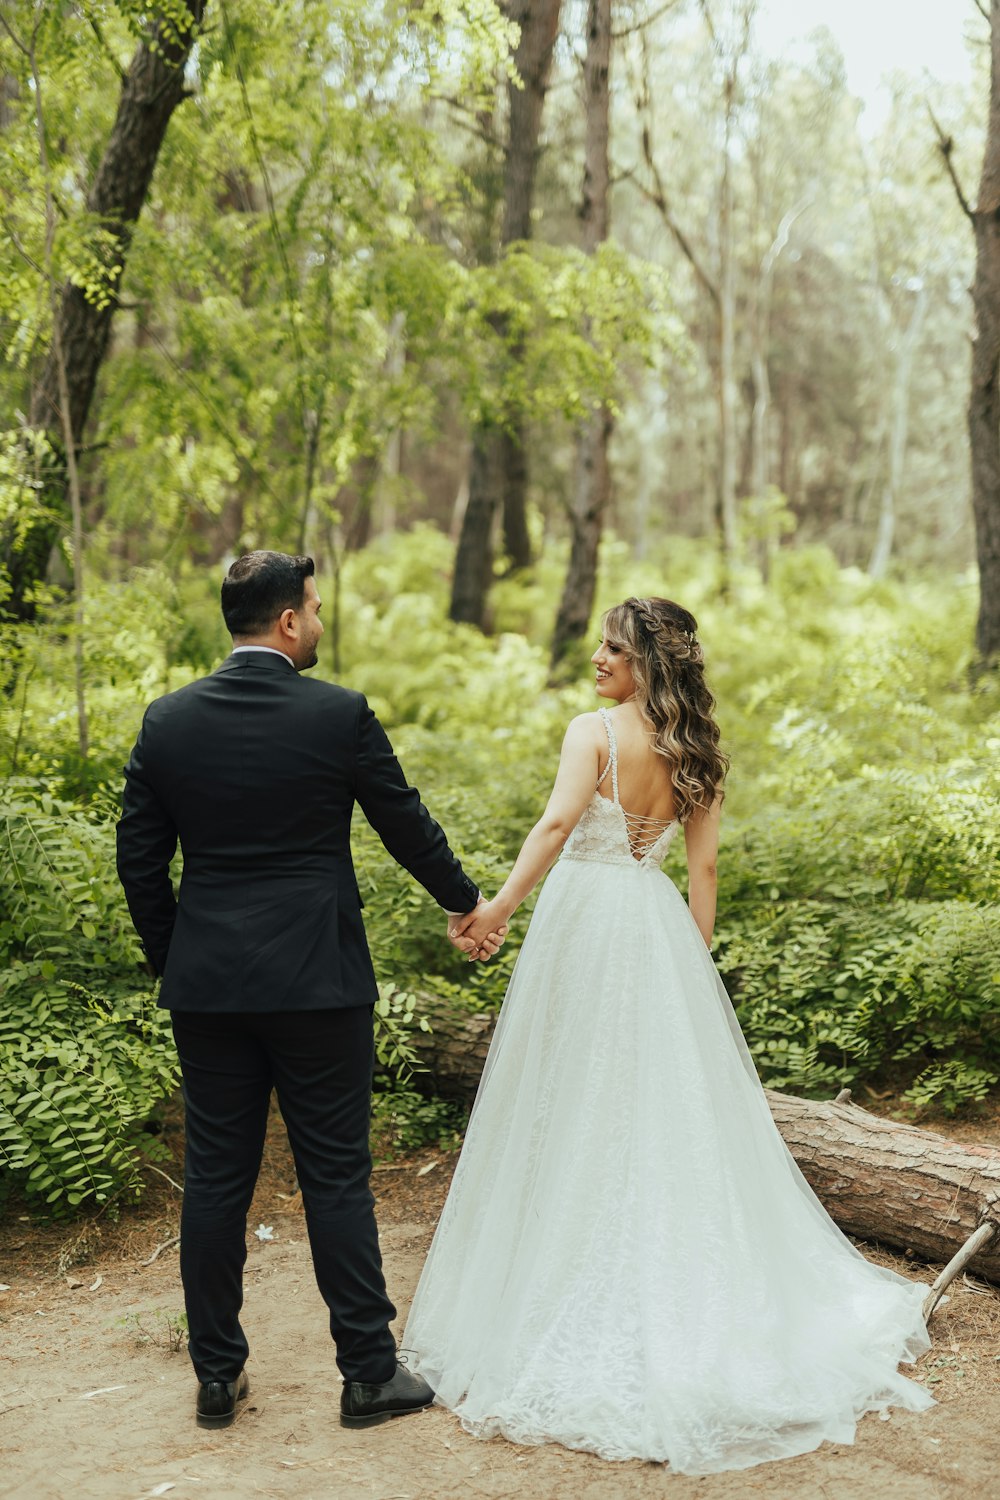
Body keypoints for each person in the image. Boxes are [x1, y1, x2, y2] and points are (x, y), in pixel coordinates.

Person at [404, 595, 933, 1475]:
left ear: (649, 661)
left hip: (581, 928)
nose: (597, 659)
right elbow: (705, 870)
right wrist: (686, 969)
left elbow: (557, 825)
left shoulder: (594, 733)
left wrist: (493, 908)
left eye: (612, 649)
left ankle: (572, 1278)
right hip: (649, 932)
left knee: (570, 1097)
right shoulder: (699, 756)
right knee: (647, 1110)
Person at [116, 551, 505, 1430]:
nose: (322, 623)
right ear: (289, 621)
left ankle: (217, 1376)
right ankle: (368, 1376)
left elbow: (138, 857)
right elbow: (402, 819)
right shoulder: (338, 715)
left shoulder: (167, 722)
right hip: (320, 983)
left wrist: (177, 958)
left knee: (215, 1178)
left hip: (209, 988)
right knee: (336, 1177)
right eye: (317, 610)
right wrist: (467, 904)